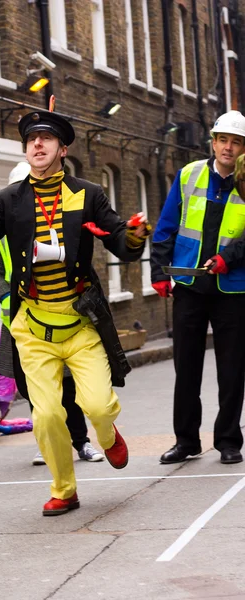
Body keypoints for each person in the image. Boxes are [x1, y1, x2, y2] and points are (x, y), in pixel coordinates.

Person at [0, 111, 149, 515]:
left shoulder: (86, 193)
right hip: (33, 326)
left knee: (96, 406)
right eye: (31, 140)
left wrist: (133, 235)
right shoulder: (9, 199)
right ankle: (64, 489)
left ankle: (108, 436)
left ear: (63, 149)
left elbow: (120, 240)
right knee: (46, 417)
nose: (37, 145)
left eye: (46, 139)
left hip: (79, 324)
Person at [0, 161, 104, 465]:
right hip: (20, 321)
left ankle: (81, 442)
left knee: (67, 386)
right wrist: (8, 297)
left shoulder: (58, 228)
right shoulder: (2, 237)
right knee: (34, 389)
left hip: (58, 318)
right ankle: (50, 444)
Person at [150, 110, 245, 466]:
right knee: (186, 368)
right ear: (214, 142)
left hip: (233, 288)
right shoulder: (189, 174)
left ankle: (228, 441)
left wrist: (228, 258)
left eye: (236, 142)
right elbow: (166, 226)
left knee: (232, 370)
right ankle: (186, 440)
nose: (228, 147)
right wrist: (159, 272)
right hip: (189, 285)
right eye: (223, 140)